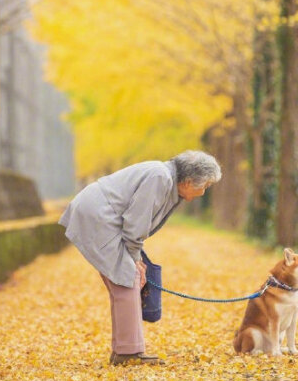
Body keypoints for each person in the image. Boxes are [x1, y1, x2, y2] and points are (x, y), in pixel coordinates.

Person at [58, 150, 222, 365]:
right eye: (206, 186)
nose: (204, 192)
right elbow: (136, 221)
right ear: (189, 181)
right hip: (100, 216)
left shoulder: (165, 178)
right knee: (128, 279)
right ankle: (128, 353)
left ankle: (124, 350)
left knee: (125, 281)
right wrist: (135, 257)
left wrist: (135, 255)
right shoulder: (160, 178)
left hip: (102, 216)